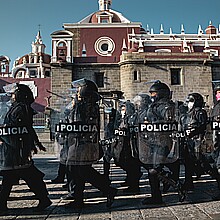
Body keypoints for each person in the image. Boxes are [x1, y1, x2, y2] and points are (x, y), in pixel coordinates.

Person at [64, 79, 117, 208]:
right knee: (78, 170)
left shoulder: (85, 106)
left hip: (81, 143)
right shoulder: (87, 105)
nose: (76, 92)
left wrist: (74, 105)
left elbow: (77, 123)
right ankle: (78, 197)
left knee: (82, 170)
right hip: (79, 142)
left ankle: (107, 190)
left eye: (78, 89)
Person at [0, 83, 51, 213]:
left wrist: (34, 144)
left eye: (13, 93)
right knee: (12, 177)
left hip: (17, 149)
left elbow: (25, 129)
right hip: (13, 149)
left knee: (24, 176)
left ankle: (43, 198)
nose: (11, 96)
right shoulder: (15, 108)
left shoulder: (21, 109)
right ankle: (43, 198)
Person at [140, 81, 181, 205]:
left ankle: (179, 186)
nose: (152, 95)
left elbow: (168, 121)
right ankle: (156, 195)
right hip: (153, 141)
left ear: (161, 94)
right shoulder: (155, 106)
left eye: (154, 93)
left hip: (162, 142)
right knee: (152, 169)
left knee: (154, 170)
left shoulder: (166, 106)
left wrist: (153, 125)